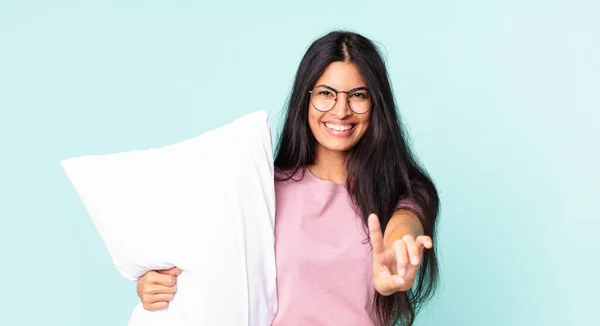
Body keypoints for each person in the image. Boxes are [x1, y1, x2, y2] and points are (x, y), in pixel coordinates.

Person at [135, 30, 440, 326]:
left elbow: (404, 227)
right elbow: (209, 266)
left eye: (358, 95)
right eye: (326, 94)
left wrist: (398, 253)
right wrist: (158, 285)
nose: (341, 110)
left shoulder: (404, 191)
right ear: (305, 98)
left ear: (377, 104)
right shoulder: (262, 188)